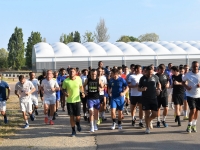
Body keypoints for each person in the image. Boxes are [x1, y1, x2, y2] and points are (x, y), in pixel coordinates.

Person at [62, 68, 85, 137]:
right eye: (70, 71)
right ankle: (73, 130)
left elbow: (81, 87)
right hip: (69, 101)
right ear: (68, 72)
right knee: (71, 116)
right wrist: (65, 93)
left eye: (73, 71)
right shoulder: (66, 81)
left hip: (77, 100)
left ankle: (78, 124)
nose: (72, 72)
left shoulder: (79, 79)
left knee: (78, 117)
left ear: (75, 72)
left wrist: (83, 93)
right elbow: (63, 89)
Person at [138, 66, 161, 134]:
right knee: (147, 113)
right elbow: (138, 88)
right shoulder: (142, 78)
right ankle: (147, 128)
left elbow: (158, 84)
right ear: (146, 71)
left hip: (154, 98)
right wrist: (142, 89)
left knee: (155, 114)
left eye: (152, 72)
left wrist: (159, 89)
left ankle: (149, 120)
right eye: (149, 72)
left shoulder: (155, 77)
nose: (150, 74)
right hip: (145, 98)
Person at [182, 61, 200, 133]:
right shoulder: (188, 74)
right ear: (192, 67)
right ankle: (189, 125)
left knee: (197, 111)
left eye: (196, 66)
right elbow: (183, 82)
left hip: (199, 95)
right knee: (192, 110)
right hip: (190, 95)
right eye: (194, 66)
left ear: (198, 66)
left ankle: (194, 124)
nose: (195, 68)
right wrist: (186, 87)